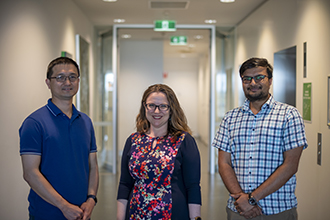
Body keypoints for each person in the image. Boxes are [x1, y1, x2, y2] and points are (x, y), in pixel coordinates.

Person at [212, 57, 308, 220]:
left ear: (270, 80)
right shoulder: (230, 118)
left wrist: (251, 198)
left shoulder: (289, 115)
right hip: (238, 210)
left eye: (259, 77)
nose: (253, 83)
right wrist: (240, 199)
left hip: (278, 209)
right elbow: (224, 163)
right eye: (247, 79)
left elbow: (290, 165)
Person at [19, 57, 99, 220]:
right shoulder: (34, 123)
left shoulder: (85, 121)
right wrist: (63, 206)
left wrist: (91, 199)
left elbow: (93, 165)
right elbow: (30, 173)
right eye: (60, 77)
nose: (67, 82)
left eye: (72, 77)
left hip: (81, 213)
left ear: (78, 81)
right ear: (48, 83)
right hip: (47, 214)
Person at [117, 84, 202, 220]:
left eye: (163, 106)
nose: (157, 111)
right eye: (151, 105)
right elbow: (125, 184)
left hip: (173, 214)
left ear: (171, 109)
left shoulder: (184, 141)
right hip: (136, 213)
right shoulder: (133, 141)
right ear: (144, 107)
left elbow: (193, 187)